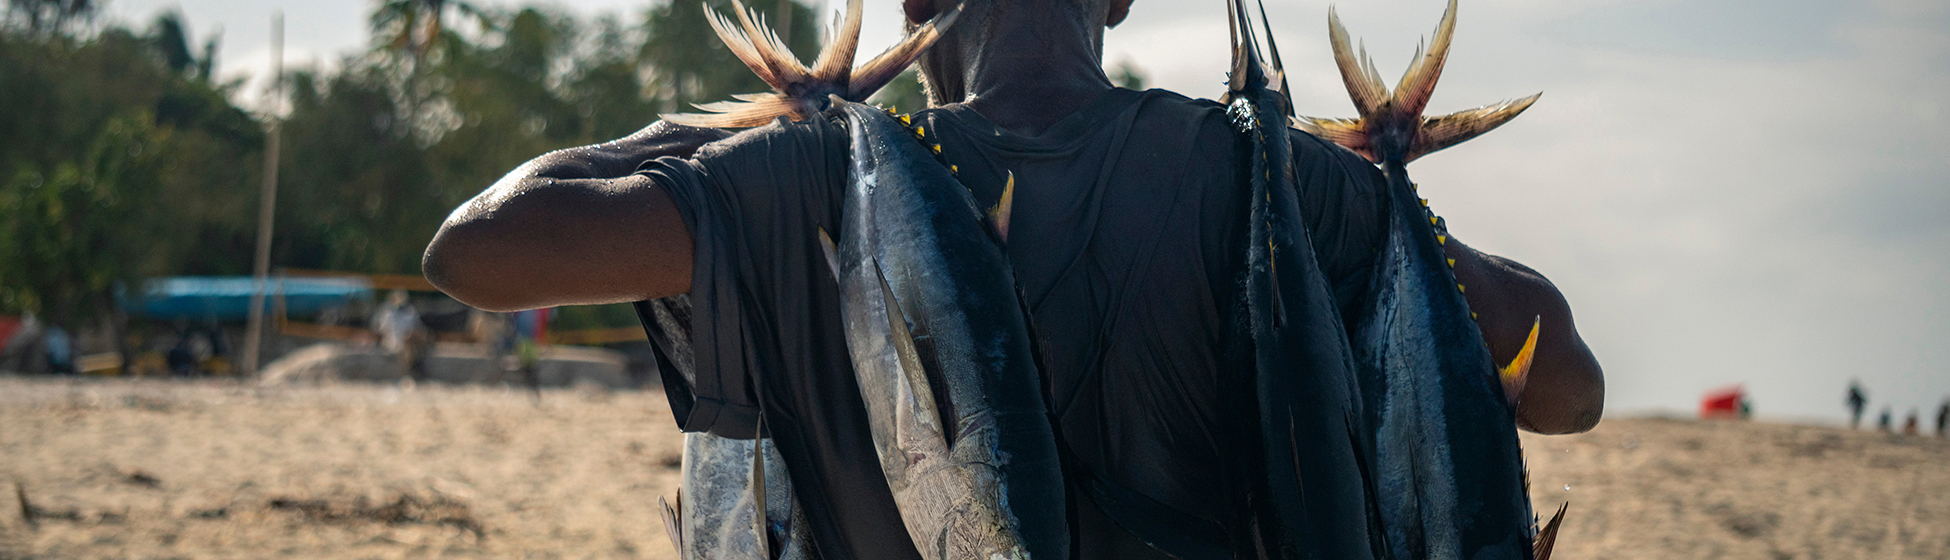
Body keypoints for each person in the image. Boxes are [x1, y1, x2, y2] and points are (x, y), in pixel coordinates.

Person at [422, 0, 1605, 557]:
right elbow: (1568, 386)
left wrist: (721, 150)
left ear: (914, 4)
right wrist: (1391, 214)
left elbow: (479, 251)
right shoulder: (1265, 179)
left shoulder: (809, 179)